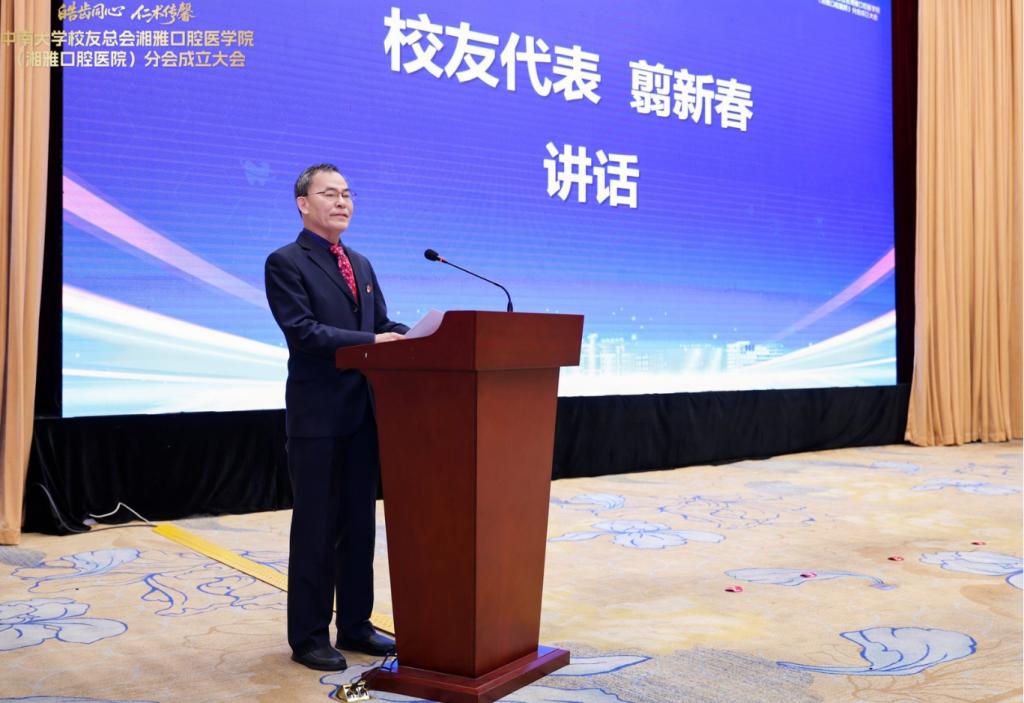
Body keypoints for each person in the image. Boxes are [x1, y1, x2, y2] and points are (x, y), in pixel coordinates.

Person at [264, 163, 407, 671]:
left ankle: (355, 624)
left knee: (359, 526)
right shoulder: (285, 262)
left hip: (363, 415)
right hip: (318, 418)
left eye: (347, 193)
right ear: (303, 204)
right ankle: (307, 637)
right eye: (329, 193)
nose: (342, 201)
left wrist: (422, 335)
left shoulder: (361, 264)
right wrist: (374, 340)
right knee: (317, 528)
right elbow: (303, 332)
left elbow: (381, 323)